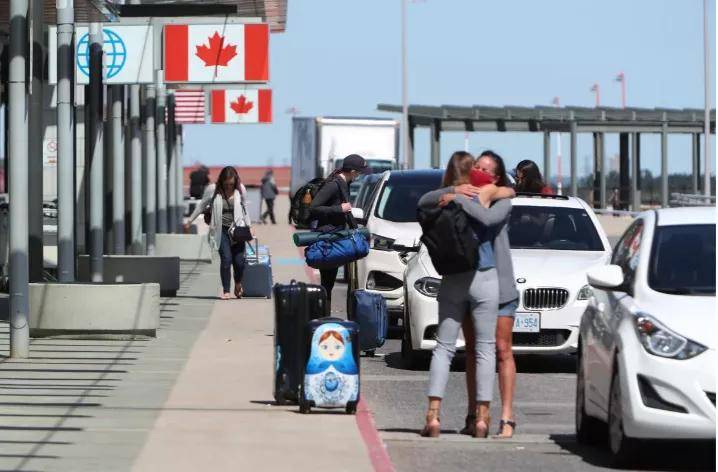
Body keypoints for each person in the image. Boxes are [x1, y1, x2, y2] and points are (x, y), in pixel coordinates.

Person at [417, 151, 514, 439]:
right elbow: (489, 216)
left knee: (444, 347)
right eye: (478, 167)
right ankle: (482, 418)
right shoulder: (494, 198)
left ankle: (433, 415)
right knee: (484, 348)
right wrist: (463, 193)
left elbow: (422, 203)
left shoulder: (446, 198)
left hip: (453, 277)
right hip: (485, 277)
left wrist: (453, 194)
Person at [457, 150, 520, 438]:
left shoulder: (503, 201)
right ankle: (475, 413)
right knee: (472, 351)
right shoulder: (465, 194)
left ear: (495, 176)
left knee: (502, 349)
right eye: (476, 167)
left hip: (501, 285)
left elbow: (485, 219)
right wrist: (455, 192)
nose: (479, 171)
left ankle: (507, 416)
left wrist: (467, 196)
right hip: (472, 284)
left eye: (485, 169)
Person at [309, 154, 370, 309]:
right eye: (359, 172)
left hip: (336, 237)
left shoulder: (344, 183)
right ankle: (323, 316)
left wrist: (356, 228)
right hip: (328, 239)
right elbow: (314, 208)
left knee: (329, 283)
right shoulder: (334, 185)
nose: (360, 175)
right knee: (327, 283)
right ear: (353, 171)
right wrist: (339, 209)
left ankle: (325, 314)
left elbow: (346, 210)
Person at [185, 166, 252, 300]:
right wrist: (189, 221)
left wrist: (249, 226)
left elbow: (245, 209)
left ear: (235, 182)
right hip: (220, 230)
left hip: (238, 230)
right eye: (226, 184)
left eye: (231, 184)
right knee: (226, 259)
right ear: (221, 181)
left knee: (239, 262)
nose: (228, 187)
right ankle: (226, 290)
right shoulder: (212, 189)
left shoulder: (241, 189)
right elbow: (201, 206)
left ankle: (238, 283)